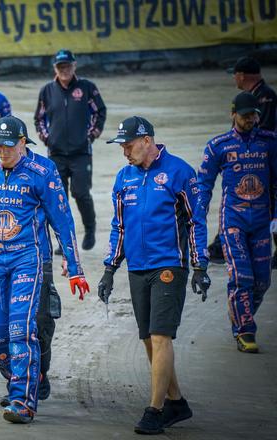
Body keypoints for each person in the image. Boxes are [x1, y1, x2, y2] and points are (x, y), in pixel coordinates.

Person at [0, 115, 90, 424]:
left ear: (23, 143)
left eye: (8, 146)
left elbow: (62, 220)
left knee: (20, 330)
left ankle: (22, 400)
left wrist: (75, 266)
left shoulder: (43, 171)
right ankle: (24, 376)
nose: (1, 152)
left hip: (28, 260)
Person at [100, 116, 210, 435]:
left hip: (168, 266)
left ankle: (155, 410)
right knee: (149, 338)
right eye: (122, 146)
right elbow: (119, 227)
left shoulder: (179, 172)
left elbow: (195, 222)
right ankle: (176, 402)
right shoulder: (123, 178)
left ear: (147, 141)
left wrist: (199, 265)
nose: (125, 152)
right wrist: (110, 268)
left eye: (129, 145)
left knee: (161, 336)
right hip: (137, 267)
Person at [197, 92, 277, 353]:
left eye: (254, 114)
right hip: (233, 221)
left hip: (263, 221)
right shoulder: (218, 146)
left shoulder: (270, 142)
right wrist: (198, 215)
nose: (251, 119)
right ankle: (245, 330)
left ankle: (240, 313)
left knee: (263, 280)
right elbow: (204, 185)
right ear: (233, 114)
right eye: (245, 115)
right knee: (242, 276)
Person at [34, 49, 106, 251]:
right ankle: (64, 240)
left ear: (74, 66)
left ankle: (89, 229)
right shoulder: (47, 91)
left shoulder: (86, 88)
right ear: (55, 68)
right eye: (60, 66)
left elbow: (99, 111)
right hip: (56, 154)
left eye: (67, 66)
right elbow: (39, 118)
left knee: (81, 193)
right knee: (58, 198)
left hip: (81, 152)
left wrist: (92, 135)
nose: (64, 70)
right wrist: (45, 137)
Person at [208, 56, 277, 265]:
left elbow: (261, 132)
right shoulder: (257, 95)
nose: (233, 79)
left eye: (234, 74)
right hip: (255, 161)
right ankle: (222, 244)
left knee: (262, 202)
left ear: (241, 75)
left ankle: (222, 245)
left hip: (262, 162)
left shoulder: (265, 97)